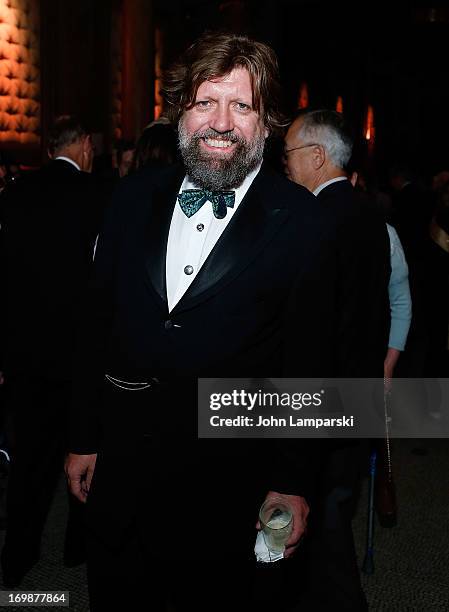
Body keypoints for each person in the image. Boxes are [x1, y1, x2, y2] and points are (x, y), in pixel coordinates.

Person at [66, 34, 375, 612]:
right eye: (206, 102)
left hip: (228, 488)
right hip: (123, 478)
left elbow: (308, 366)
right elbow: (96, 325)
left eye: (242, 106)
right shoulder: (131, 197)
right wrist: (84, 435)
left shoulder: (303, 221)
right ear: (181, 110)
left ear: (265, 124)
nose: (222, 122)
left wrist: (291, 482)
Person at [284, 110, 390, 610]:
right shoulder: (372, 216)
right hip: (359, 388)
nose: (284, 166)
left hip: (316, 394)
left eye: (287, 155)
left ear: (317, 156)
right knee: (333, 508)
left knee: (301, 513)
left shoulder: (311, 219)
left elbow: (305, 321)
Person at [0, 115, 104, 587]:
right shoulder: (96, 197)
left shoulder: (15, 193)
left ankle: (17, 555)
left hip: (26, 354)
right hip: (80, 357)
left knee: (28, 460)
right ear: (83, 145)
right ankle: (76, 548)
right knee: (84, 454)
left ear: (48, 150)